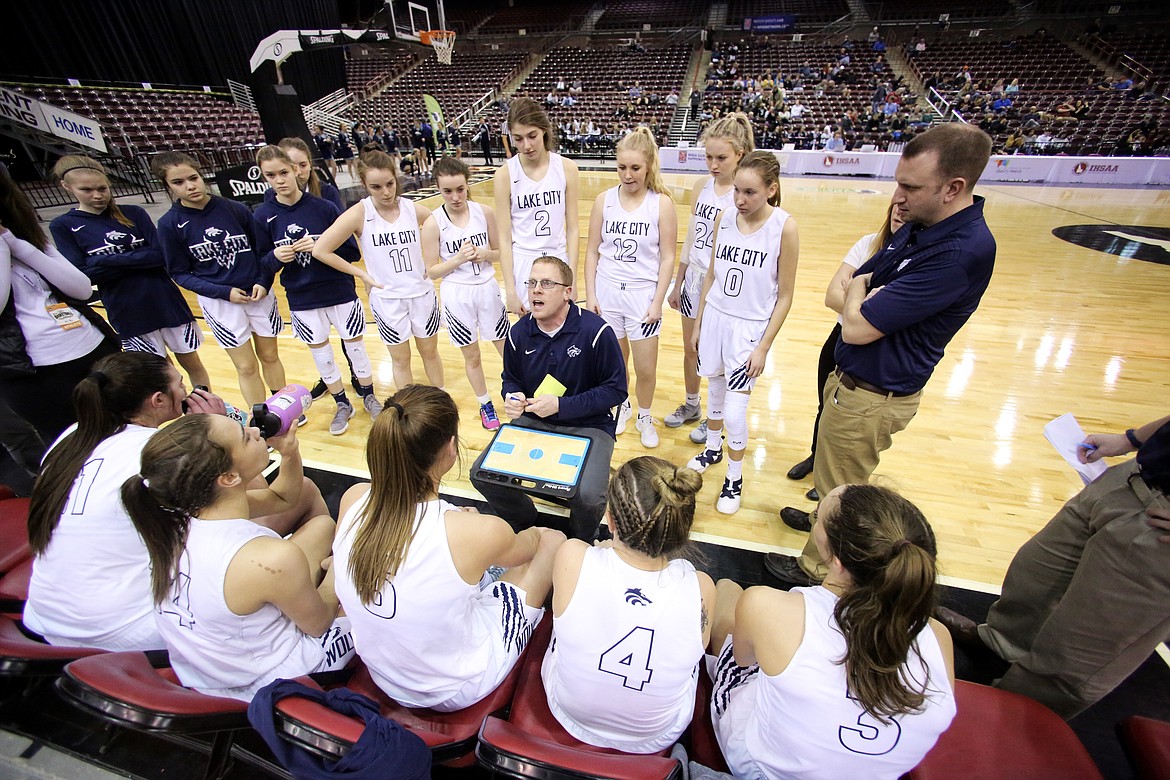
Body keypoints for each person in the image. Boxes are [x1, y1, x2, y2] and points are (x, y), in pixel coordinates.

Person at [769, 123, 996, 586]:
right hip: (855, 387)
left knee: (843, 493)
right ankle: (821, 534)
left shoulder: (960, 252)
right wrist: (862, 289)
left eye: (911, 186)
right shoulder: (921, 225)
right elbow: (862, 279)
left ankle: (817, 573)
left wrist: (859, 292)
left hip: (872, 396)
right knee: (835, 480)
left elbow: (854, 324)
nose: (898, 196)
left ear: (954, 188)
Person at [24, 351, 325, 650]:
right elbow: (240, 504)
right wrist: (221, 434)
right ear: (158, 400)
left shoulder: (75, 435)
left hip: (45, 613)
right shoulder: (159, 456)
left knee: (298, 493)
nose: (186, 390)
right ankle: (313, 599)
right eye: (180, 383)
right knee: (302, 518)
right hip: (124, 628)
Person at [332, 384, 564, 711]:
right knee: (553, 541)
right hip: (451, 688)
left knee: (475, 569)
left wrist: (468, 533)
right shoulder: (475, 531)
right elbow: (531, 545)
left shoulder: (354, 498)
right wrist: (476, 529)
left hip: (383, 674)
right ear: (451, 447)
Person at [709, 484, 956, 780]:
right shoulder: (938, 637)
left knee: (726, 591)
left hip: (763, 768)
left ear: (835, 560)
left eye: (817, 517)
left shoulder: (766, 605)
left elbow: (744, 660)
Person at [937, 414, 1170, 719]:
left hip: (1160, 536)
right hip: (1134, 478)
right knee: (1034, 577)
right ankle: (999, 647)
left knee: (1076, 653)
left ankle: (1000, 722)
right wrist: (1132, 439)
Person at [122, 413, 351, 702]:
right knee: (367, 582)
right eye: (245, 436)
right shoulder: (270, 557)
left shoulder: (177, 519)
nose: (254, 430)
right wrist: (340, 568)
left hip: (208, 669)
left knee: (322, 527)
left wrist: (290, 453)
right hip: (268, 683)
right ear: (229, 477)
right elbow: (319, 624)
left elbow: (283, 498)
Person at [542, 456, 715, 753]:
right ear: (682, 529)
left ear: (609, 519)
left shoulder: (572, 555)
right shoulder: (701, 586)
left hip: (568, 713)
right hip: (656, 734)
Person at [469, 256, 626, 542]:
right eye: (531, 283)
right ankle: (525, 522)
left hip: (589, 425)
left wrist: (562, 405)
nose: (536, 290)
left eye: (546, 283)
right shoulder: (518, 333)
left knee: (589, 497)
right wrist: (511, 395)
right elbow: (511, 378)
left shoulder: (596, 332)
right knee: (481, 473)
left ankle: (582, 540)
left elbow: (616, 390)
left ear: (568, 292)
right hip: (535, 419)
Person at [685, 151, 799, 515]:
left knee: (735, 412)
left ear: (771, 189)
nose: (740, 199)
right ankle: (713, 448)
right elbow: (712, 276)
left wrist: (764, 347)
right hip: (716, 317)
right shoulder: (725, 218)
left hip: (749, 328)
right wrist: (700, 321)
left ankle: (735, 477)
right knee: (714, 391)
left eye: (750, 192)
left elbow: (785, 296)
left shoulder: (785, 226)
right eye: (737, 190)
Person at [253, 146, 383, 436]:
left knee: (356, 347)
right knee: (321, 353)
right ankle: (341, 403)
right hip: (302, 298)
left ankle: (369, 395)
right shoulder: (262, 216)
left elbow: (352, 251)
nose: (280, 180)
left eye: (284, 172)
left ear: (297, 170)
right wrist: (277, 257)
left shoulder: (324, 208)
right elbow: (262, 261)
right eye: (271, 175)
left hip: (338, 290)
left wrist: (321, 247)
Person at [49, 156, 209, 390]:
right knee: (161, 372)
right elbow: (85, 275)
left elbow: (159, 256)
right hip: (126, 310)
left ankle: (205, 407)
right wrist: (137, 259)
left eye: (102, 188)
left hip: (166, 301)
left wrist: (104, 259)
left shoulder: (134, 213)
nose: (97, 195)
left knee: (192, 361)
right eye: (87, 190)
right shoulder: (63, 226)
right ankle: (182, 413)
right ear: (67, 186)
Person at [786, 203, 904, 497]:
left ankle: (831, 481)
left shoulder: (913, 260)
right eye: (895, 208)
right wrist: (870, 305)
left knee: (849, 418)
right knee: (825, 405)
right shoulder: (868, 244)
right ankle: (816, 458)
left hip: (874, 349)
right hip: (839, 337)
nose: (900, 214)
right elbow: (831, 296)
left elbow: (885, 313)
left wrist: (854, 293)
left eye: (907, 209)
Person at [153, 152, 287, 410]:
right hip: (221, 303)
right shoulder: (170, 224)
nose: (190, 186)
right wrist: (223, 292)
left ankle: (282, 406)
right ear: (167, 186)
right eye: (179, 182)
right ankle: (262, 416)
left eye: (193, 178)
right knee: (246, 366)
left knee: (270, 355)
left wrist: (264, 281)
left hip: (259, 294)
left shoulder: (234, 208)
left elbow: (263, 252)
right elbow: (179, 273)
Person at [0, 163, 119, 443]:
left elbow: (80, 288)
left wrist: (16, 243)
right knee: (75, 444)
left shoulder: (24, 236)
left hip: (91, 347)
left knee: (123, 430)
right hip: (35, 371)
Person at [315, 150, 444, 392]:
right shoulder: (360, 213)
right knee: (401, 359)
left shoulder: (413, 209)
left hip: (421, 294)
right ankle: (408, 408)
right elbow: (321, 249)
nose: (385, 192)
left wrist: (431, 261)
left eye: (389, 184)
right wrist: (361, 274)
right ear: (364, 184)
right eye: (376, 187)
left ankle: (442, 399)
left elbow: (442, 229)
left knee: (430, 352)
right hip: (388, 299)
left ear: (396, 179)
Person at [584, 127, 677, 447]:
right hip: (608, 291)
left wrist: (657, 301)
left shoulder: (661, 204)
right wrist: (592, 294)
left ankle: (645, 414)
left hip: (642, 295)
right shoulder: (603, 200)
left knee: (645, 367)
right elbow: (593, 250)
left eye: (635, 167)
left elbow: (668, 258)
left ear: (649, 165)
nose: (627, 174)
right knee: (615, 362)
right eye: (621, 167)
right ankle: (622, 406)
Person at [666, 113, 755, 447]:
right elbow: (691, 237)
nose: (714, 165)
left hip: (722, 286)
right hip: (694, 278)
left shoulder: (745, 194)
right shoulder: (701, 186)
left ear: (741, 155)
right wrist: (679, 281)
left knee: (717, 356)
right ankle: (692, 404)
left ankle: (715, 419)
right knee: (692, 348)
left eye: (721, 158)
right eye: (709, 157)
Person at [421, 156, 507, 431]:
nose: (455, 196)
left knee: (507, 350)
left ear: (467, 184)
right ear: (438, 188)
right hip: (457, 294)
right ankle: (485, 404)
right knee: (472, 356)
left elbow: (503, 253)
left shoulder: (485, 212)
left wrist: (485, 254)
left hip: (488, 289)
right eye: (448, 191)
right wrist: (458, 259)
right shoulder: (434, 223)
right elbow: (431, 271)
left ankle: (518, 393)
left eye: (460, 189)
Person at [494, 98, 580, 316]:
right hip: (524, 261)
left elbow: (573, 229)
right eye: (518, 139)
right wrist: (510, 289)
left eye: (532, 136)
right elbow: (504, 238)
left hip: (557, 256)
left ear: (544, 130)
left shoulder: (567, 168)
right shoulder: (505, 175)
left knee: (562, 333)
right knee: (530, 339)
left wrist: (574, 278)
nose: (527, 146)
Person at [278, 136, 343, 210]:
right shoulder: (272, 195)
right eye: (292, 166)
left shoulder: (327, 192)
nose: (298, 172)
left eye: (303, 165)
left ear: (310, 164)